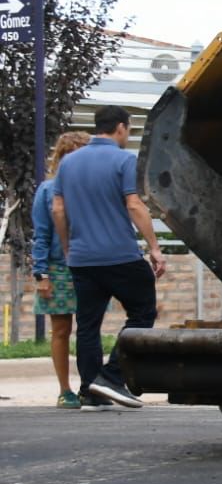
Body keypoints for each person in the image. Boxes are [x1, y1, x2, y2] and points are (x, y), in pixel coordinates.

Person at [51, 105, 167, 410]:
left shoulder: (69, 162)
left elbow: (58, 209)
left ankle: (91, 391)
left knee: (87, 325)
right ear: (120, 127)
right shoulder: (124, 160)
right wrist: (154, 247)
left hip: (82, 259)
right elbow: (134, 205)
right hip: (120, 255)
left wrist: (67, 247)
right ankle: (112, 377)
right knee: (143, 313)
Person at [31, 131, 92, 409]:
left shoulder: (93, 189)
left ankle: (90, 386)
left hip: (90, 264)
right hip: (58, 267)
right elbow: (41, 235)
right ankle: (65, 390)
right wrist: (41, 274)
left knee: (90, 328)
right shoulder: (48, 190)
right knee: (61, 329)